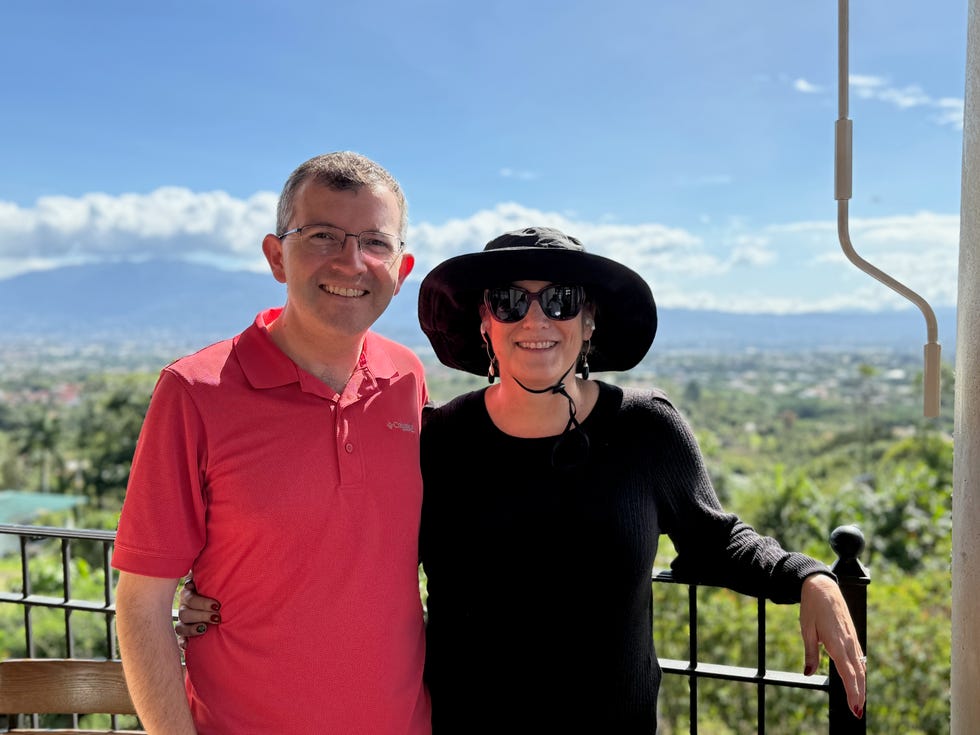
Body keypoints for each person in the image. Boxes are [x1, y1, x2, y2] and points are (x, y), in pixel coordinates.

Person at [178, 226, 867, 733]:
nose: (534, 319)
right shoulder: (436, 440)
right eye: (508, 301)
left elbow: (716, 539)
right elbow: (350, 553)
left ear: (589, 320)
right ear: (484, 323)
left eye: (560, 300)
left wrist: (810, 577)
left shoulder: (644, 430)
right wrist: (222, 593)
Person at [112, 152, 431, 735]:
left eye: (374, 242)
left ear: (402, 268)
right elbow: (141, 603)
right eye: (323, 235)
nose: (351, 261)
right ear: (276, 256)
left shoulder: (407, 377)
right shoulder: (195, 391)